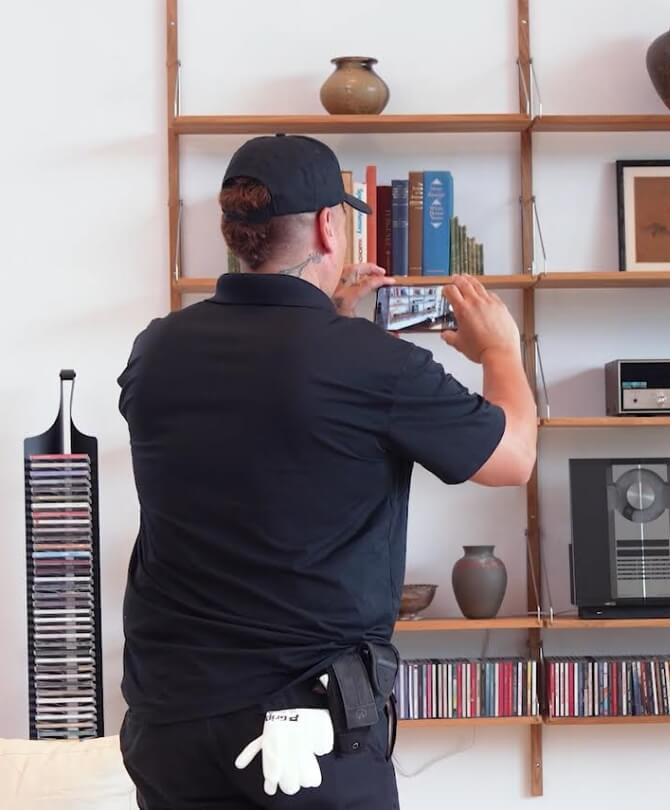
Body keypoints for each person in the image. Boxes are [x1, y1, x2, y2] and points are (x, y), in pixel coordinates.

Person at [116, 134, 537, 809]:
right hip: (302, 735)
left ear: (236, 232)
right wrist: (500, 351)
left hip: (170, 725)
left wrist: (338, 321)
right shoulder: (366, 363)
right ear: (326, 226)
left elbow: (259, 430)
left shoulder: (157, 349)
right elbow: (513, 458)